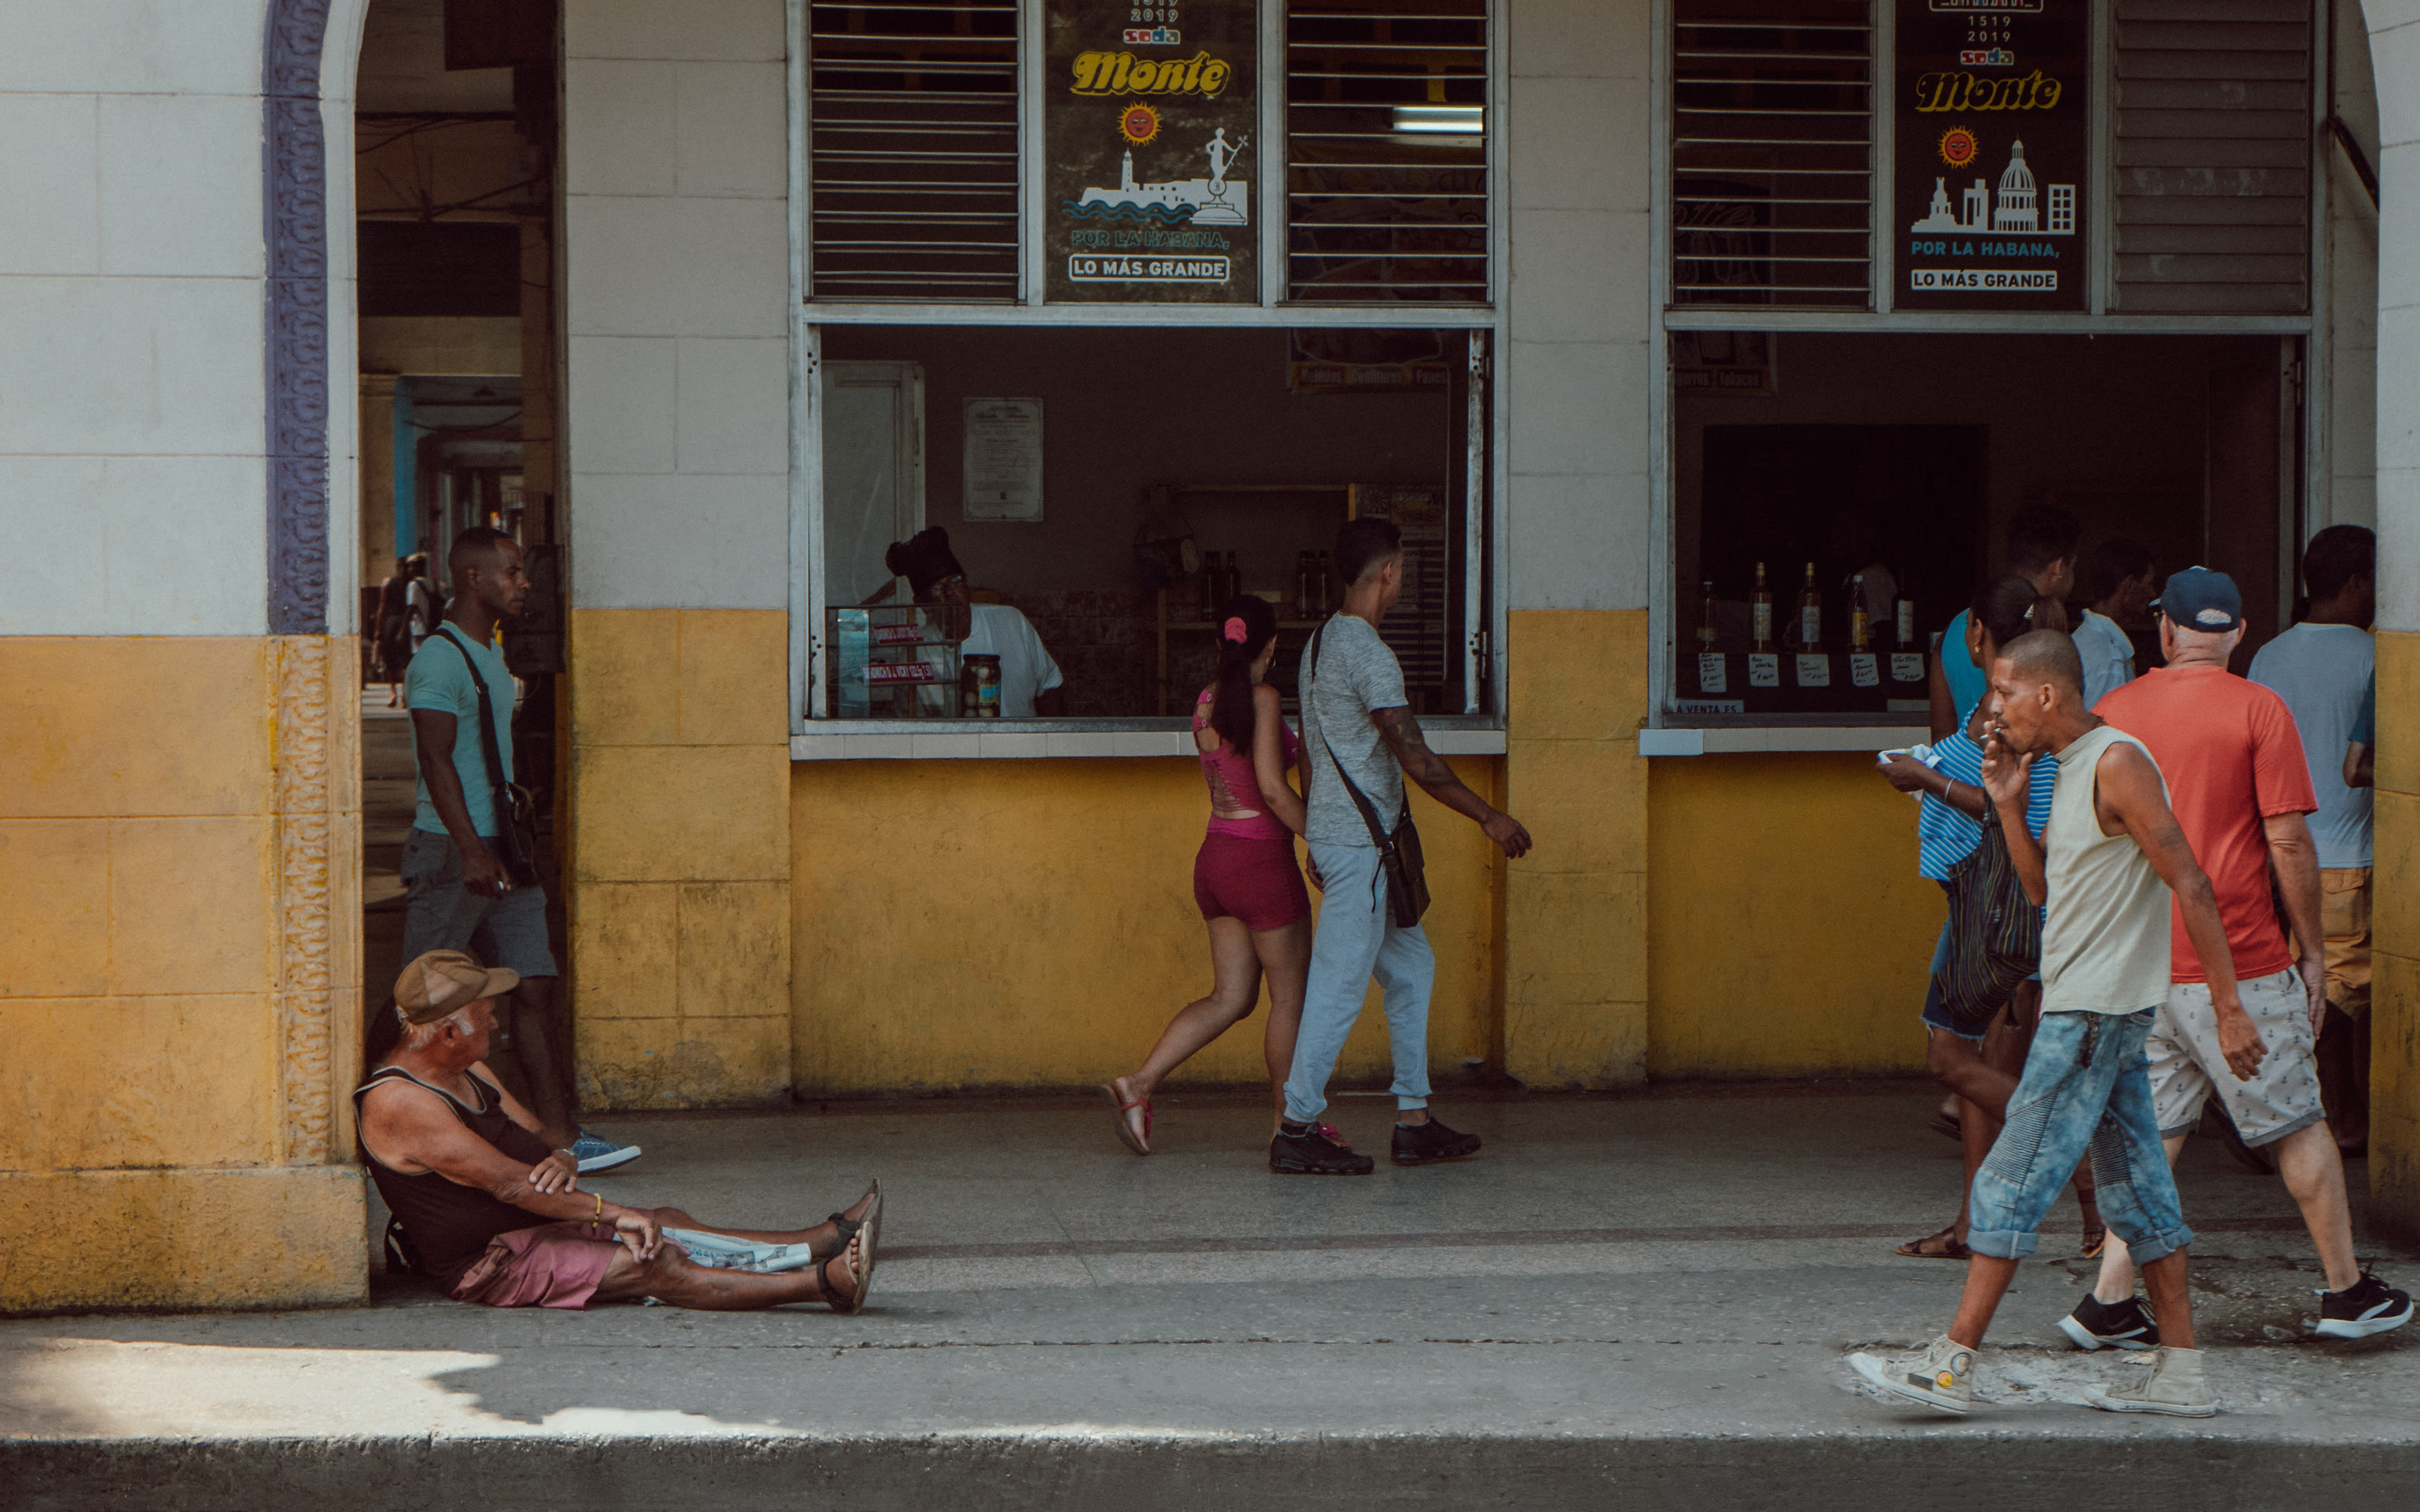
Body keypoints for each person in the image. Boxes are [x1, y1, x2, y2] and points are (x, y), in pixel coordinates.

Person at [1852, 629, 2245, 1417]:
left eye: (2000, 691)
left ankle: (1950, 1363)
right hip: (2099, 1009)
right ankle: (2181, 1374)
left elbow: (2191, 881)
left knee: (2008, 1180)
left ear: (2045, 695)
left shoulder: (2117, 762)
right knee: (2140, 1193)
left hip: (2092, 1014)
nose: (1988, 708)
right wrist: (2000, 802)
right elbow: (2040, 894)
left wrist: (2229, 1007)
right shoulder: (2061, 770)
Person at [2073, 567, 2409, 1346]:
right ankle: (2345, 1290)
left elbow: (2095, 838)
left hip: (2139, 961)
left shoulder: (2113, 712)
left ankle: (2107, 1301)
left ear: (2162, 630)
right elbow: (2286, 838)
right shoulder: (2258, 706)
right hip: (2240, 962)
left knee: (2154, 1131)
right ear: (2239, 633)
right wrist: (2313, 953)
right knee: (2296, 1123)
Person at [360, 950, 879, 1312]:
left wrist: (564, 1155)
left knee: (667, 1221)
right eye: (487, 1015)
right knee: (656, 1262)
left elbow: (542, 1136)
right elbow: (512, 1184)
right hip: (491, 1260)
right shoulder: (401, 1101)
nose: (497, 1024)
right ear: (449, 1033)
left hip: (536, 1224)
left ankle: (823, 1239)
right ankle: (821, 1284)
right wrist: (616, 1213)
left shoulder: (467, 1068)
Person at [1271, 517, 1534, 1175]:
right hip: (1359, 850)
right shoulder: (1365, 651)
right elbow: (1414, 757)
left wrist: (1314, 830)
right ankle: (1295, 1125)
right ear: (1387, 571)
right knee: (1336, 987)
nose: (1403, 579)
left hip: (1355, 845)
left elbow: (1310, 746)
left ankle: (1413, 1117)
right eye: (1403, 569)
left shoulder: (1315, 645)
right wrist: (1487, 816)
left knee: (1411, 969)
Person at [389, 527, 640, 1176]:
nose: (523, 582)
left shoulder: (490, 652)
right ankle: (399, 1125)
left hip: (505, 848)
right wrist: (472, 850)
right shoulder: (439, 661)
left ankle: (560, 1136)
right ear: (474, 578)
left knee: (533, 984)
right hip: (453, 851)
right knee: (425, 999)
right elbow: (436, 760)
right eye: (511, 571)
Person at [1879, 580, 2099, 1262]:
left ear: (1975, 633)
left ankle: (2087, 1170)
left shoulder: (2014, 705)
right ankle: (1980, 1223)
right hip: (1981, 902)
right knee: (1969, 1065)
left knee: (1961, 1059)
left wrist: (1926, 778)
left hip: (2003, 908)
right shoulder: (2008, 699)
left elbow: (2017, 811)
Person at [1103, 596, 1324, 1155]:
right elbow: (1273, 790)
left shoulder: (1205, 701)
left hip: (1216, 859)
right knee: (1290, 999)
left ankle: (1140, 1084)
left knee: (1231, 997)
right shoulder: (1265, 698)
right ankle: (1286, 1125)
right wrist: (1324, 841)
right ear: (1271, 646)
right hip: (1261, 863)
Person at [2248, 526, 2376, 1155]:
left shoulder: (2267, 656)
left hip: (2280, 849)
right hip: (2348, 854)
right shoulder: (2374, 655)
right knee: (2346, 999)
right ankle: (2344, 1116)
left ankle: (2325, 1112)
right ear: (2355, 583)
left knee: (2306, 988)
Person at [1929, 504, 2080, 739]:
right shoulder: (2053, 637)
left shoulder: (1959, 627)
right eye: (2074, 568)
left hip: (1965, 767)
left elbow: (1941, 734)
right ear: (2059, 568)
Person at [883, 527, 1066, 717]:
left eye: (957, 581)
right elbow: (910, 726)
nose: (951, 593)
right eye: (938, 587)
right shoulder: (916, 654)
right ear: (922, 604)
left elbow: (1050, 686)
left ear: (967, 586)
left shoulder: (1010, 622)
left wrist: (1055, 741)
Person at [2073, 536, 2156, 708]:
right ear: (2129, 586)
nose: (2152, 593)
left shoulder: (2084, 637)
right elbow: (2104, 730)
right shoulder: (2109, 657)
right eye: (2149, 584)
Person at [374, 558, 414, 707]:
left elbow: (382, 608)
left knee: (392, 661)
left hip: (392, 624)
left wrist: (378, 629)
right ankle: (401, 695)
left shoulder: (388, 583)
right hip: (406, 624)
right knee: (403, 661)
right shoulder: (412, 584)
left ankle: (394, 693)